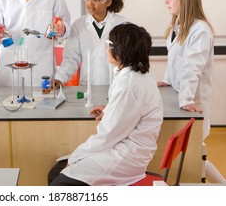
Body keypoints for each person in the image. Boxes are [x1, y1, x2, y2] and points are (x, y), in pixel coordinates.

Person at [49, 23, 163, 186]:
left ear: (122, 51)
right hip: (125, 147)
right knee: (56, 172)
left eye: (109, 45)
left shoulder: (128, 83)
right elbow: (128, 112)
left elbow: (108, 134)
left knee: (59, 184)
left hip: (124, 157)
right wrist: (110, 109)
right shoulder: (138, 74)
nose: (106, 49)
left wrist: (76, 157)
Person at [157, 0, 226, 183]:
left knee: (195, 149)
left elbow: (192, 67)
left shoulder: (200, 30)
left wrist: (186, 98)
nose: (166, 1)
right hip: (180, 94)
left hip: (192, 98)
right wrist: (167, 80)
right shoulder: (178, 26)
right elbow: (175, 61)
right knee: (195, 150)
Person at [55, 0, 128, 87]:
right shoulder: (79, 25)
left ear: (108, 2)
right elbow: (71, 59)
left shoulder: (123, 25)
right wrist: (59, 79)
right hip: (87, 86)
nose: (90, 3)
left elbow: (131, 60)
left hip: (116, 86)